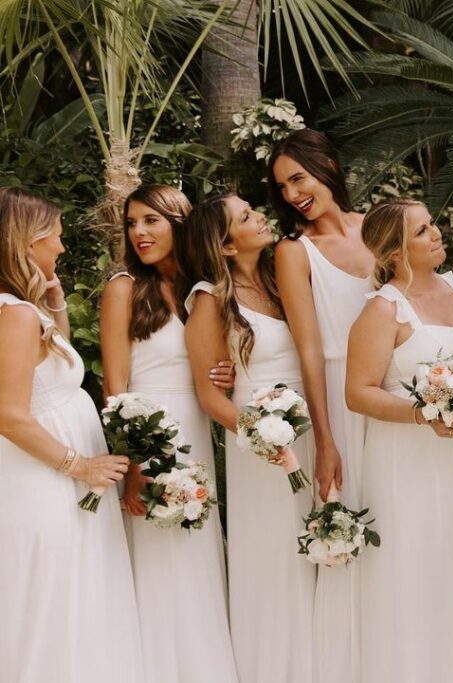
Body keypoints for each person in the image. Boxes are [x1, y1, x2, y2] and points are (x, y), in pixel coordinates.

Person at [347, 199, 453, 682]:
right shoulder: (383, 308)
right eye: (422, 231)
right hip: (409, 466)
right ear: (395, 252)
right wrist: (422, 414)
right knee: (416, 579)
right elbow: (357, 392)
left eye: (433, 223)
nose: (436, 234)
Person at [0, 187, 144, 682]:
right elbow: (9, 414)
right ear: (27, 243)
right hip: (47, 481)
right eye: (56, 238)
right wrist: (78, 465)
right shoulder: (13, 315)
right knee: (57, 603)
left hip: (58, 479)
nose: (61, 248)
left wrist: (53, 302)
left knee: (74, 600)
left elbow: (53, 366)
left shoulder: (22, 309)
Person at [98, 184, 237, 682]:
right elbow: (115, 389)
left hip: (196, 438)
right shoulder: (123, 289)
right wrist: (132, 470)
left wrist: (226, 375)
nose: (139, 233)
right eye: (132, 224)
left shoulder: (208, 289)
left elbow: (222, 365)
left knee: (196, 558)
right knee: (158, 565)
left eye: (150, 221)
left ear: (180, 222)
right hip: (149, 443)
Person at [179, 194, 315, 683]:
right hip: (263, 449)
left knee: (318, 546)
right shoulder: (210, 299)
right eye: (246, 216)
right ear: (227, 246)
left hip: (311, 429)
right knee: (278, 560)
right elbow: (209, 396)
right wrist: (262, 437)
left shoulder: (281, 282)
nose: (259, 215)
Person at [270, 129, 374, 682]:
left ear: (328, 165)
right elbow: (308, 349)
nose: (291, 195)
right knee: (350, 519)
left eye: (298, 178)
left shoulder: (378, 228)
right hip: (335, 393)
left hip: (392, 393)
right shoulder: (294, 250)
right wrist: (325, 440)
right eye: (282, 186)